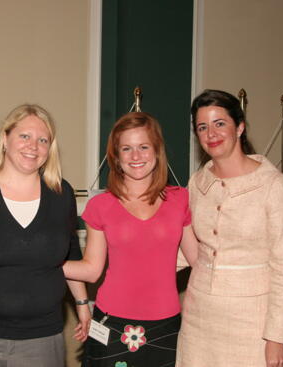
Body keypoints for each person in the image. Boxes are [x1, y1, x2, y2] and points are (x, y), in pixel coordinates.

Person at [0, 104, 90, 366]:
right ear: (5, 139)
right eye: (24, 136)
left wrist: (82, 302)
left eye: (42, 140)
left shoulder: (62, 194)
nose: (33, 146)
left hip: (42, 337)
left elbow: (70, 250)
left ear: (50, 149)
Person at [176, 89, 283, 367]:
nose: (211, 134)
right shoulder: (197, 183)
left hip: (252, 322)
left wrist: (276, 338)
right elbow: (187, 250)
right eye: (202, 127)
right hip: (199, 319)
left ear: (240, 127)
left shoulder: (275, 186)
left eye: (220, 123)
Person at [63, 112, 199, 367]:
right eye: (127, 148)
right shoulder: (100, 205)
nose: (136, 156)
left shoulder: (180, 199)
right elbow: (92, 271)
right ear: (116, 156)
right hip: (110, 323)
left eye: (143, 147)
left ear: (157, 151)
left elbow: (198, 261)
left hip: (166, 325)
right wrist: (37, 262)